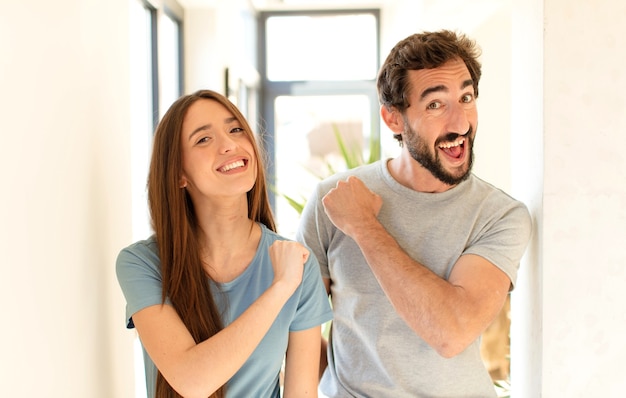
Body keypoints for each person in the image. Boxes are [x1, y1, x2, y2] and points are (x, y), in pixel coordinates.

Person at [296, 30, 532, 397]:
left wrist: (364, 226)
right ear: (393, 118)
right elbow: (299, 326)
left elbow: (451, 332)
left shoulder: (500, 216)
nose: (461, 122)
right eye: (436, 104)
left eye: (466, 98)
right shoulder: (333, 200)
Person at [116, 89, 333, 398]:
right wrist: (280, 288)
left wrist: (289, 280)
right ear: (179, 173)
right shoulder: (142, 263)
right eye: (204, 139)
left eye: (235, 130)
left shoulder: (299, 265)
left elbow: (301, 394)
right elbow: (193, 381)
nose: (230, 145)